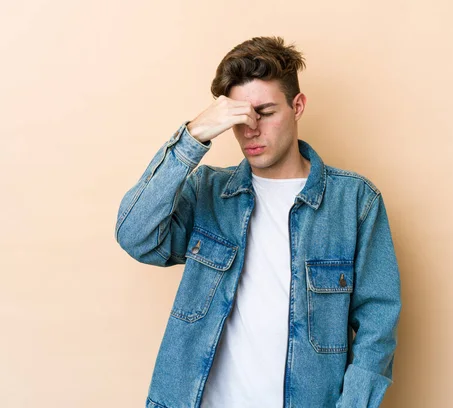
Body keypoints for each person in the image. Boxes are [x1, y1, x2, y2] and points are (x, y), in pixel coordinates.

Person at [115, 36, 401, 408]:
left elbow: (378, 324)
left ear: (297, 106)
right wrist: (194, 135)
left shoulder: (355, 203)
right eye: (239, 118)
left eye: (264, 113)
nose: (250, 129)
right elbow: (135, 235)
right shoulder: (208, 192)